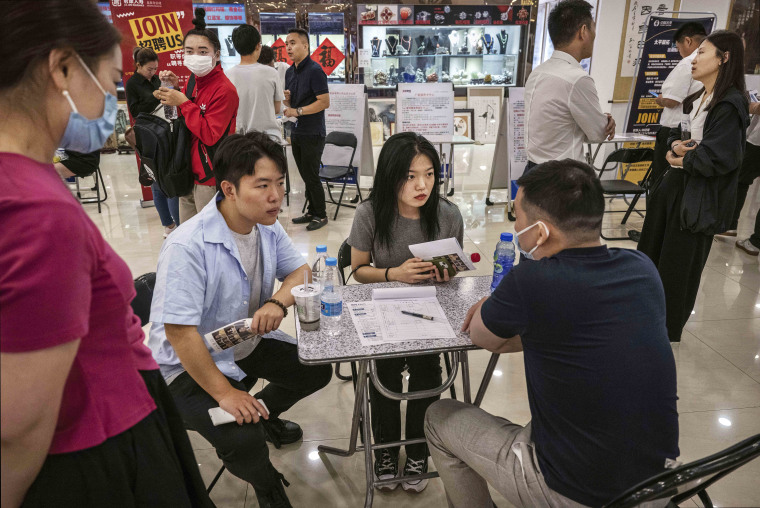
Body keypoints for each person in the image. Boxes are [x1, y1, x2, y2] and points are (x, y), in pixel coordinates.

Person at [0, 2, 212, 506]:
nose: (113, 100)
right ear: (63, 68)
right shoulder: (34, 208)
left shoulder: (26, 182)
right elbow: (19, 420)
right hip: (93, 448)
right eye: (110, 81)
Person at [425, 159, 679, 508]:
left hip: (577, 493)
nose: (516, 225)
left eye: (518, 216)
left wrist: (492, 301)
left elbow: (483, 337)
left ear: (541, 232)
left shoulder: (532, 281)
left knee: (440, 418)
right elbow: (587, 333)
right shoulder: (642, 269)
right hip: (657, 485)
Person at [147, 131, 332, 507]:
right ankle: (266, 485)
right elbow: (181, 336)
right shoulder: (188, 246)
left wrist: (278, 304)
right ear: (229, 189)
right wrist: (226, 394)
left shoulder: (266, 224)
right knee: (241, 438)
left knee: (315, 368)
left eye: (279, 183)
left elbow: (300, 273)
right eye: (262, 185)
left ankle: (262, 413)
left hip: (240, 343)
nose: (275, 196)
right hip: (185, 366)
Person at [348, 132, 464, 493]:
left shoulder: (447, 214)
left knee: (429, 372)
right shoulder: (370, 213)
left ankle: (418, 451)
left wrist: (447, 271)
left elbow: (454, 267)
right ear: (390, 175)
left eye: (429, 174)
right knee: (383, 374)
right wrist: (394, 274)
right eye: (411, 176)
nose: (422, 185)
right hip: (384, 310)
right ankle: (385, 451)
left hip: (430, 310)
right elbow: (358, 270)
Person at [637, 30, 750, 342]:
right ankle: (644, 320)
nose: (694, 58)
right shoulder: (698, 98)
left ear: (723, 58)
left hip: (695, 200)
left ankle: (664, 331)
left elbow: (720, 158)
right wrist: (674, 148)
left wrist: (680, 160)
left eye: (702, 52)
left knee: (677, 268)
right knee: (652, 257)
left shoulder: (730, 103)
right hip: (673, 189)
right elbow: (679, 137)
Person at [156, 7, 238, 223]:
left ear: (216, 55)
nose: (195, 57)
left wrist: (182, 101)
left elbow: (211, 134)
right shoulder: (194, 80)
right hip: (187, 169)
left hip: (210, 174)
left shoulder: (225, 90)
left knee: (211, 234)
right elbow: (186, 117)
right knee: (189, 233)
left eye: (203, 51)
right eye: (189, 51)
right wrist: (175, 89)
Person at [523, 0, 614, 172]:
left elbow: (559, 123)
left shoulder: (538, 72)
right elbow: (598, 133)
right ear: (583, 31)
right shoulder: (577, 79)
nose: (595, 34)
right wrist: (606, 121)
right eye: (593, 27)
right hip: (561, 176)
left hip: (533, 170)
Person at [125, 46, 180, 236]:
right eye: (149, 69)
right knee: (157, 182)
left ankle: (178, 225)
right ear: (139, 66)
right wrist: (154, 97)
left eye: (155, 69)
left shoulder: (157, 79)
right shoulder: (132, 83)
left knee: (170, 179)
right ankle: (169, 225)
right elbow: (134, 111)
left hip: (165, 130)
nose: (153, 73)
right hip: (147, 135)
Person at [284, 27, 331, 231]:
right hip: (297, 132)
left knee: (311, 175)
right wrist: (288, 101)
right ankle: (311, 211)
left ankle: (321, 215)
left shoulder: (315, 70)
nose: (288, 47)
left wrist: (298, 111)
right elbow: (292, 104)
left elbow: (324, 102)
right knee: (305, 175)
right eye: (287, 44)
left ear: (306, 45)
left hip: (313, 132)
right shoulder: (289, 72)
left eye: (293, 43)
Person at [650, 22, 707, 188]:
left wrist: (660, 99)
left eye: (678, 47)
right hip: (694, 130)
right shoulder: (715, 64)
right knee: (678, 180)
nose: (679, 52)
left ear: (688, 41)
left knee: (662, 178)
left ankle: (659, 212)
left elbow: (672, 100)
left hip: (675, 129)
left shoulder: (688, 63)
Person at [715, 99, 760, 255]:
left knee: (738, 180)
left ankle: (729, 225)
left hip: (756, 143)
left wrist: (751, 106)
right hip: (755, 141)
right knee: (739, 180)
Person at [227, 25, 284, 141]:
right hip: (268, 139)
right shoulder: (271, 73)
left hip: (239, 139)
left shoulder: (227, 75)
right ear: (258, 45)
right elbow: (277, 109)